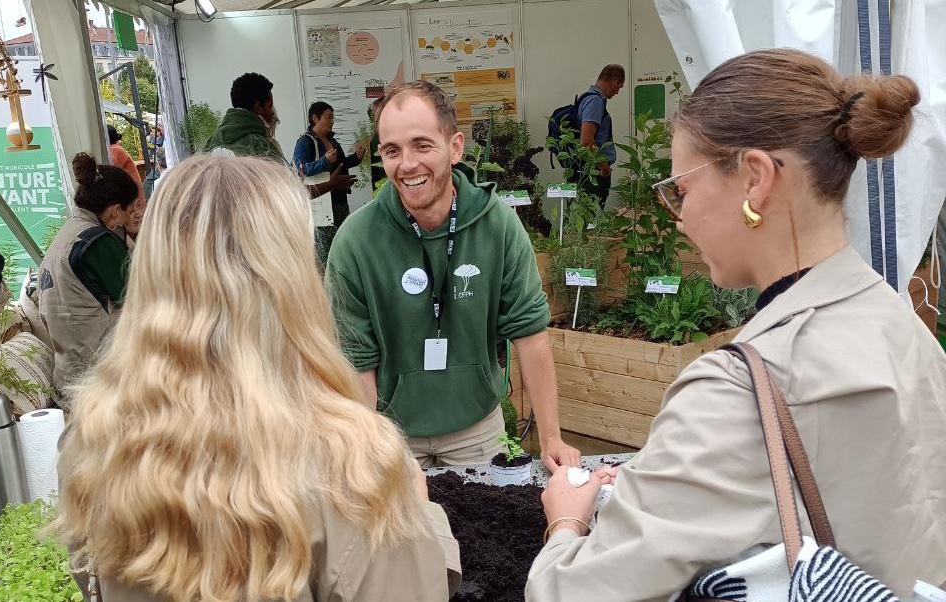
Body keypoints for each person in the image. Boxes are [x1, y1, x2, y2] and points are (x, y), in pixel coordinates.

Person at [526, 48, 946, 601]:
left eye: (682, 190)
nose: (679, 216)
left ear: (755, 178)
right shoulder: (906, 326)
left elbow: (566, 593)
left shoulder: (737, 390)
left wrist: (566, 521)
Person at [54, 155, 462, 602]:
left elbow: (91, 574)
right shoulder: (352, 464)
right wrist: (419, 513)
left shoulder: (94, 443)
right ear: (293, 278)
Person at [325, 81, 580, 470]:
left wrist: (551, 439)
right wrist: (369, 453)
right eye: (392, 150)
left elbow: (530, 334)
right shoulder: (356, 241)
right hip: (392, 438)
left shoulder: (497, 225)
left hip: (477, 430)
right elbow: (357, 361)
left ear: (455, 147)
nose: (407, 164)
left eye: (422, 145)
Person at [38, 153, 138, 410]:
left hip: (67, 381)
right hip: (100, 384)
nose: (131, 217)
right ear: (116, 211)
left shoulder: (69, 233)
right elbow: (139, 300)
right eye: (131, 210)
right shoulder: (97, 242)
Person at [205, 72, 353, 199]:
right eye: (270, 106)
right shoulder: (261, 145)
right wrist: (330, 184)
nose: (272, 113)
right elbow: (292, 193)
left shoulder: (211, 143)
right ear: (258, 107)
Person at [293, 101, 366, 262]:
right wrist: (324, 161)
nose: (332, 120)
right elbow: (301, 169)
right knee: (325, 252)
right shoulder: (305, 141)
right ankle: (326, 285)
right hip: (321, 205)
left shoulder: (332, 141)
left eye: (333, 117)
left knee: (342, 245)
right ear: (315, 118)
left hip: (339, 201)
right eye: (328, 117)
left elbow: (340, 165)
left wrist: (356, 158)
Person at [575, 64, 624, 208]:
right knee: (592, 216)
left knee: (588, 216)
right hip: (594, 173)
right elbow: (586, 141)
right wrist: (603, 167)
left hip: (590, 170)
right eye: (619, 87)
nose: (617, 92)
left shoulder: (589, 99)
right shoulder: (595, 102)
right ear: (614, 81)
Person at [107, 124, 145, 204]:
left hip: (133, 193)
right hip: (133, 191)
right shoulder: (116, 148)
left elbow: (111, 171)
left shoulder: (114, 150)